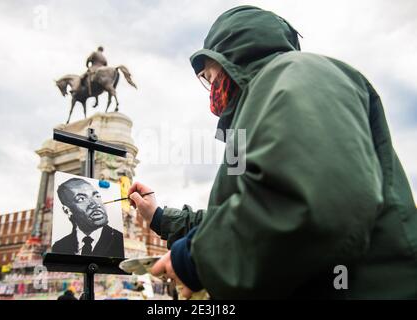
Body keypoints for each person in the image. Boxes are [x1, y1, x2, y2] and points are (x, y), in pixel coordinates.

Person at [128, 5, 417, 299]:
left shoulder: (298, 73)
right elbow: (240, 213)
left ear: (226, 58)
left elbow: (309, 202)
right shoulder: (248, 123)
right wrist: (161, 217)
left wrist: (195, 258)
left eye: (207, 74)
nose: (209, 85)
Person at [52, 178, 124, 258]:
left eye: (97, 196)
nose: (95, 204)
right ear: (67, 210)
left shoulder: (119, 241)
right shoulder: (59, 247)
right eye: (81, 199)